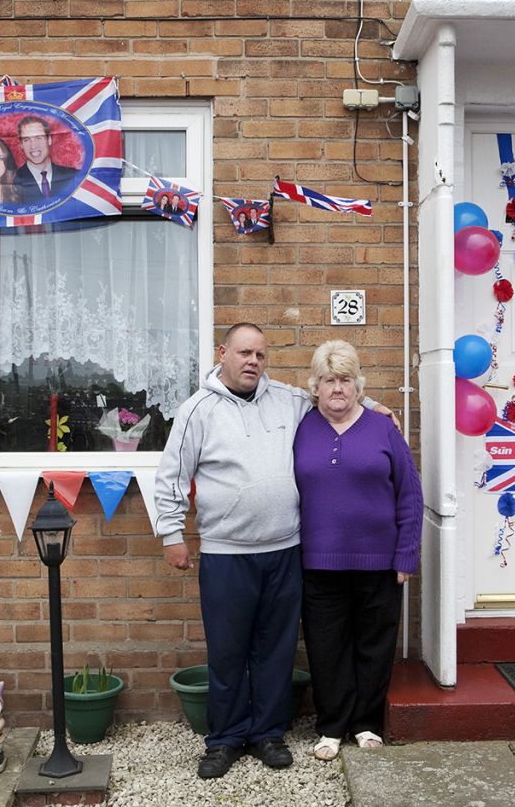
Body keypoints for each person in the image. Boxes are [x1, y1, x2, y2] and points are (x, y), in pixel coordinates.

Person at [153, 323, 395, 780]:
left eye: (261, 355)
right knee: (227, 652)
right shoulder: (196, 410)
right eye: (244, 353)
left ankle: (267, 733)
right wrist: (171, 534)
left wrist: (374, 406)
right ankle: (224, 739)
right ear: (223, 353)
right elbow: (169, 476)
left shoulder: (287, 398)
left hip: (285, 550)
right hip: (226, 554)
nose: (253, 362)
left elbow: (337, 399)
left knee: (276, 650)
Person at [293, 340, 421, 761]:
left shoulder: (384, 427)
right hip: (318, 564)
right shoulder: (300, 426)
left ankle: (365, 722)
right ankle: (331, 726)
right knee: (326, 647)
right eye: (328, 380)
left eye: (345, 380)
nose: (337, 389)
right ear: (315, 386)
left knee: (374, 644)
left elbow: (410, 495)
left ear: (358, 385)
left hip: (378, 563)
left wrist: (406, 556)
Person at [13, 115, 77, 203]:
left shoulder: (74, 176)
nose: (33, 146)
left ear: (49, 140)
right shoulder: (11, 183)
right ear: (21, 145)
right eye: (26, 140)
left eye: (38, 138)